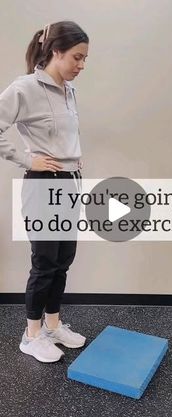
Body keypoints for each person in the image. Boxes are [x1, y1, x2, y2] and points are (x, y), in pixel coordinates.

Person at [0, 21, 89, 363]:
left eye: (84, 59)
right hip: (44, 185)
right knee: (45, 262)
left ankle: (53, 325)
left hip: (70, 182)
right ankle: (31, 334)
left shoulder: (69, 90)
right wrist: (27, 159)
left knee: (64, 259)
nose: (81, 66)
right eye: (77, 58)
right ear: (56, 51)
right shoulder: (25, 88)